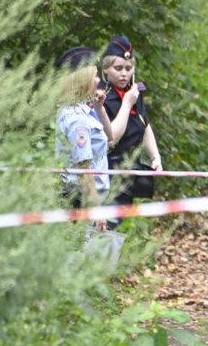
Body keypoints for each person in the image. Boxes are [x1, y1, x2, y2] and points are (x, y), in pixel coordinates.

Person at [101, 35, 163, 218]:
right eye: (118, 68)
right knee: (110, 227)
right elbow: (111, 138)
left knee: (122, 226)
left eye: (128, 68)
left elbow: (144, 124)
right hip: (109, 170)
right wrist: (126, 104)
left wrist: (155, 156)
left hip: (130, 169)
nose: (124, 74)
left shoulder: (135, 92)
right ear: (105, 70)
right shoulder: (101, 96)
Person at [55, 46, 114, 231]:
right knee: (82, 254)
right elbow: (83, 167)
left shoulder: (78, 110)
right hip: (81, 198)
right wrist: (96, 210)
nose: (98, 81)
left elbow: (110, 137)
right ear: (82, 80)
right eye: (94, 76)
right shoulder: (78, 118)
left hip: (83, 196)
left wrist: (99, 108)